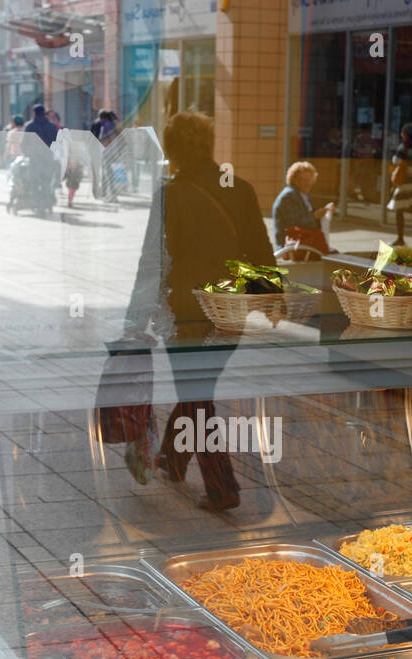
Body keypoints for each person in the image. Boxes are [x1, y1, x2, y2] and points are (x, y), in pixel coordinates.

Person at [125, 111, 274, 511]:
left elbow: (151, 261)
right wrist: (269, 304)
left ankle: (223, 488)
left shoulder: (170, 194)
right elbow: (262, 255)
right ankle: (172, 462)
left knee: (196, 393)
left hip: (184, 314)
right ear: (209, 145)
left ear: (172, 152)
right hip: (229, 312)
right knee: (197, 390)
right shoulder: (239, 188)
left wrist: (134, 318)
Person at [271, 161, 334, 255]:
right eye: (303, 180)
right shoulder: (289, 196)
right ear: (294, 180)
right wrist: (315, 216)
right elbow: (293, 226)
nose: (307, 183)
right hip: (291, 246)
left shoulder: (302, 194)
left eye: (310, 180)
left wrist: (324, 212)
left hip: (304, 242)